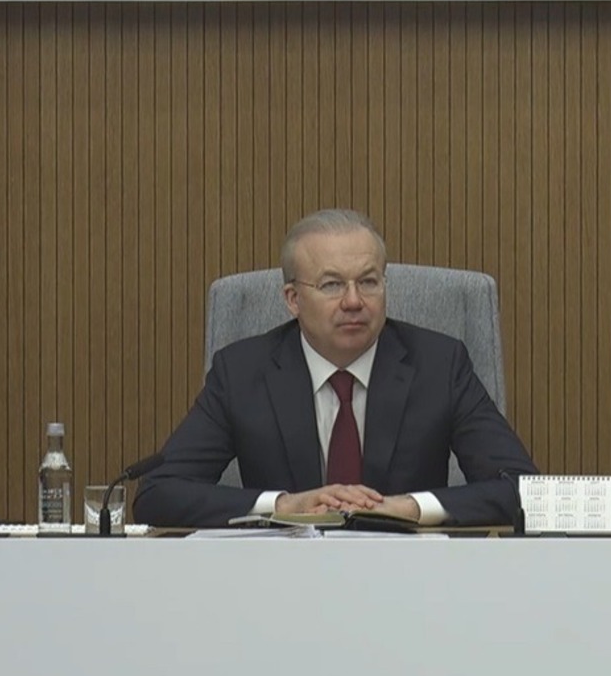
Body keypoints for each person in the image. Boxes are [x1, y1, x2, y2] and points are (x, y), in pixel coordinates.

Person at [135, 209, 536, 527]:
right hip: (280, 581)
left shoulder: (439, 364)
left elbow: (524, 490)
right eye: (331, 285)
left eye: (369, 282)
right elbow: (158, 493)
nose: (354, 301)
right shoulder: (242, 372)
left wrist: (408, 508)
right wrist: (284, 505)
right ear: (293, 299)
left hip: (409, 579)